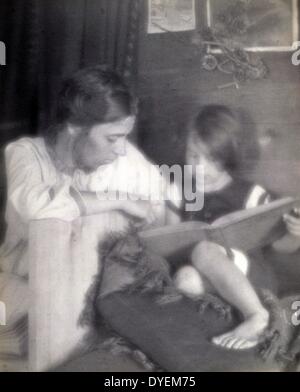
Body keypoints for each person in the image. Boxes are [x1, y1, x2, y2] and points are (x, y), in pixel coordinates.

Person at [0, 66, 166, 334]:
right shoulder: (25, 153)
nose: (121, 149)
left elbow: (158, 207)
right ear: (75, 128)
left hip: (92, 298)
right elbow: (36, 207)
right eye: (112, 138)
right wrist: (117, 199)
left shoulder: (124, 159)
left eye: (124, 137)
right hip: (22, 291)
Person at [169, 105, 300, 350]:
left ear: (228, 157)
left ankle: (256, 316)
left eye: (212, 159)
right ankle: (217, 334)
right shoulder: (179, 189)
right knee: (185, 280)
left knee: (205, 250)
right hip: (207, 278)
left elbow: (281, 246)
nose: (200, 167)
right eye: (193, 155)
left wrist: (295, 234)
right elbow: (167, 236)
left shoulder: (252, 194)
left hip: (250, 277)